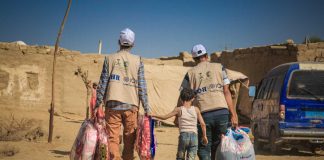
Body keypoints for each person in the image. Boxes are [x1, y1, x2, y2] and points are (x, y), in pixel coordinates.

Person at [95, 28, 151, 160]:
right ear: (133, 44)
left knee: (112, 139)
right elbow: (142, 86)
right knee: (129, 140)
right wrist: (147, 107)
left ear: (118, 42)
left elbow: (103, 83)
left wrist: (97, 104)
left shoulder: (109, 59)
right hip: (131, 106)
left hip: (112, 105)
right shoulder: (138, 60)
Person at [179, 44, 238, 160]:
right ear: (206, 55)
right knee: (220, 146)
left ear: (194, 59)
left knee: (203, 147)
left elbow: (183, 96)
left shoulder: (190, 73)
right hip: (222, 113)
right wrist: (234, 114)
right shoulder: (219, 67)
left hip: (203, 115)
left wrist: (179, 116)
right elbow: (226, 92)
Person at [152, 88, 208, 160]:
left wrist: (153, 115)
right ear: (192, 99)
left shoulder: (178, 109)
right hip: (194, 136)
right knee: (191, 158)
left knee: (180, 157)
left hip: (183, 136)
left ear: (181, 99)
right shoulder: (196, 109)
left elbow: (164, 117)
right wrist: (204, 136)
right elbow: (203, 124)